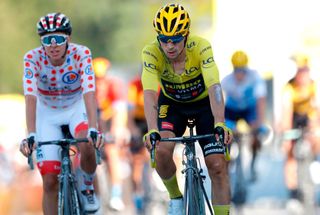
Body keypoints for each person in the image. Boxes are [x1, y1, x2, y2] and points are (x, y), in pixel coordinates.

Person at [141, 3, 233, 215]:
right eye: (164, 39)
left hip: (203, 106)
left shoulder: (201, 47)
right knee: (162, 151)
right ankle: (175, 198)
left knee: (217, 165)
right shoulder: (151, 52)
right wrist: (152, 128)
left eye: (176, 39)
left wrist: (220, 121)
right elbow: (148, 92)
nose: (170, 46)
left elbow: (214, 86)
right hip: (172, 105)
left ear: (187, 35)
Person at [19, 13, 103, 215]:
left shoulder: (81, 54)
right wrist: (31, 134)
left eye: (59, 39)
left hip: (75, 108)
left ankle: (87, 184)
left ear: (69, 39)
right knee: (49, 181)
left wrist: (93, 127)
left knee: (86, 141)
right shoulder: (32, 58)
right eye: (47, 40)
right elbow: (30, 96)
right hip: (47, 114)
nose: (53, 45)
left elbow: (89, 91)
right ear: (41, 42)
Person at [221, 50, 267, 181]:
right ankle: (227, 164)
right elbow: (220, 101)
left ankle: (253, 163)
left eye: (242, 69)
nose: (239, 73)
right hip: (232, 110)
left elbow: (261, 101)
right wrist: (222, 123)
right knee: (227, 136)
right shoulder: (227, 80)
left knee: (257, 135)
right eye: (237, 69)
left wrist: (259, 122)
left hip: (249, 109)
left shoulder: (255, 78)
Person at [281, 55, 320, 201]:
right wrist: (286, 136)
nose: (303, 76)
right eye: (300, 72)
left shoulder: (314, 85)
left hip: (310, 115)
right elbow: (286, 113)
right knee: (289, 151)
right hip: (294, 117)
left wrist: (316, 130)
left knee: (316, 138)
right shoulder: (289, 87)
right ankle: (292, 190)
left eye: (305, 72)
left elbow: (317, 109)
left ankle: (314, 161)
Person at [93, 57, 129, 211]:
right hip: (94, 121)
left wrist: (117, 130)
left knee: (111, 151)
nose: (99, 83)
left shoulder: (114, 85)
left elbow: (120, 111)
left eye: (101, 79)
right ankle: (95, 196)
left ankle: (116, 194)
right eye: (96, 79)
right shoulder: (87, 88)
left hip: (110, 121)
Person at [127, 72, 151, 213]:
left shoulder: (158, 84)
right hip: (138, 121)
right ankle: (137, 194)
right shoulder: (134, 85)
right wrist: (132, 129)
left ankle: (155, 183)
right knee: (136, 159)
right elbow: (128, 112)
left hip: (152, 120)